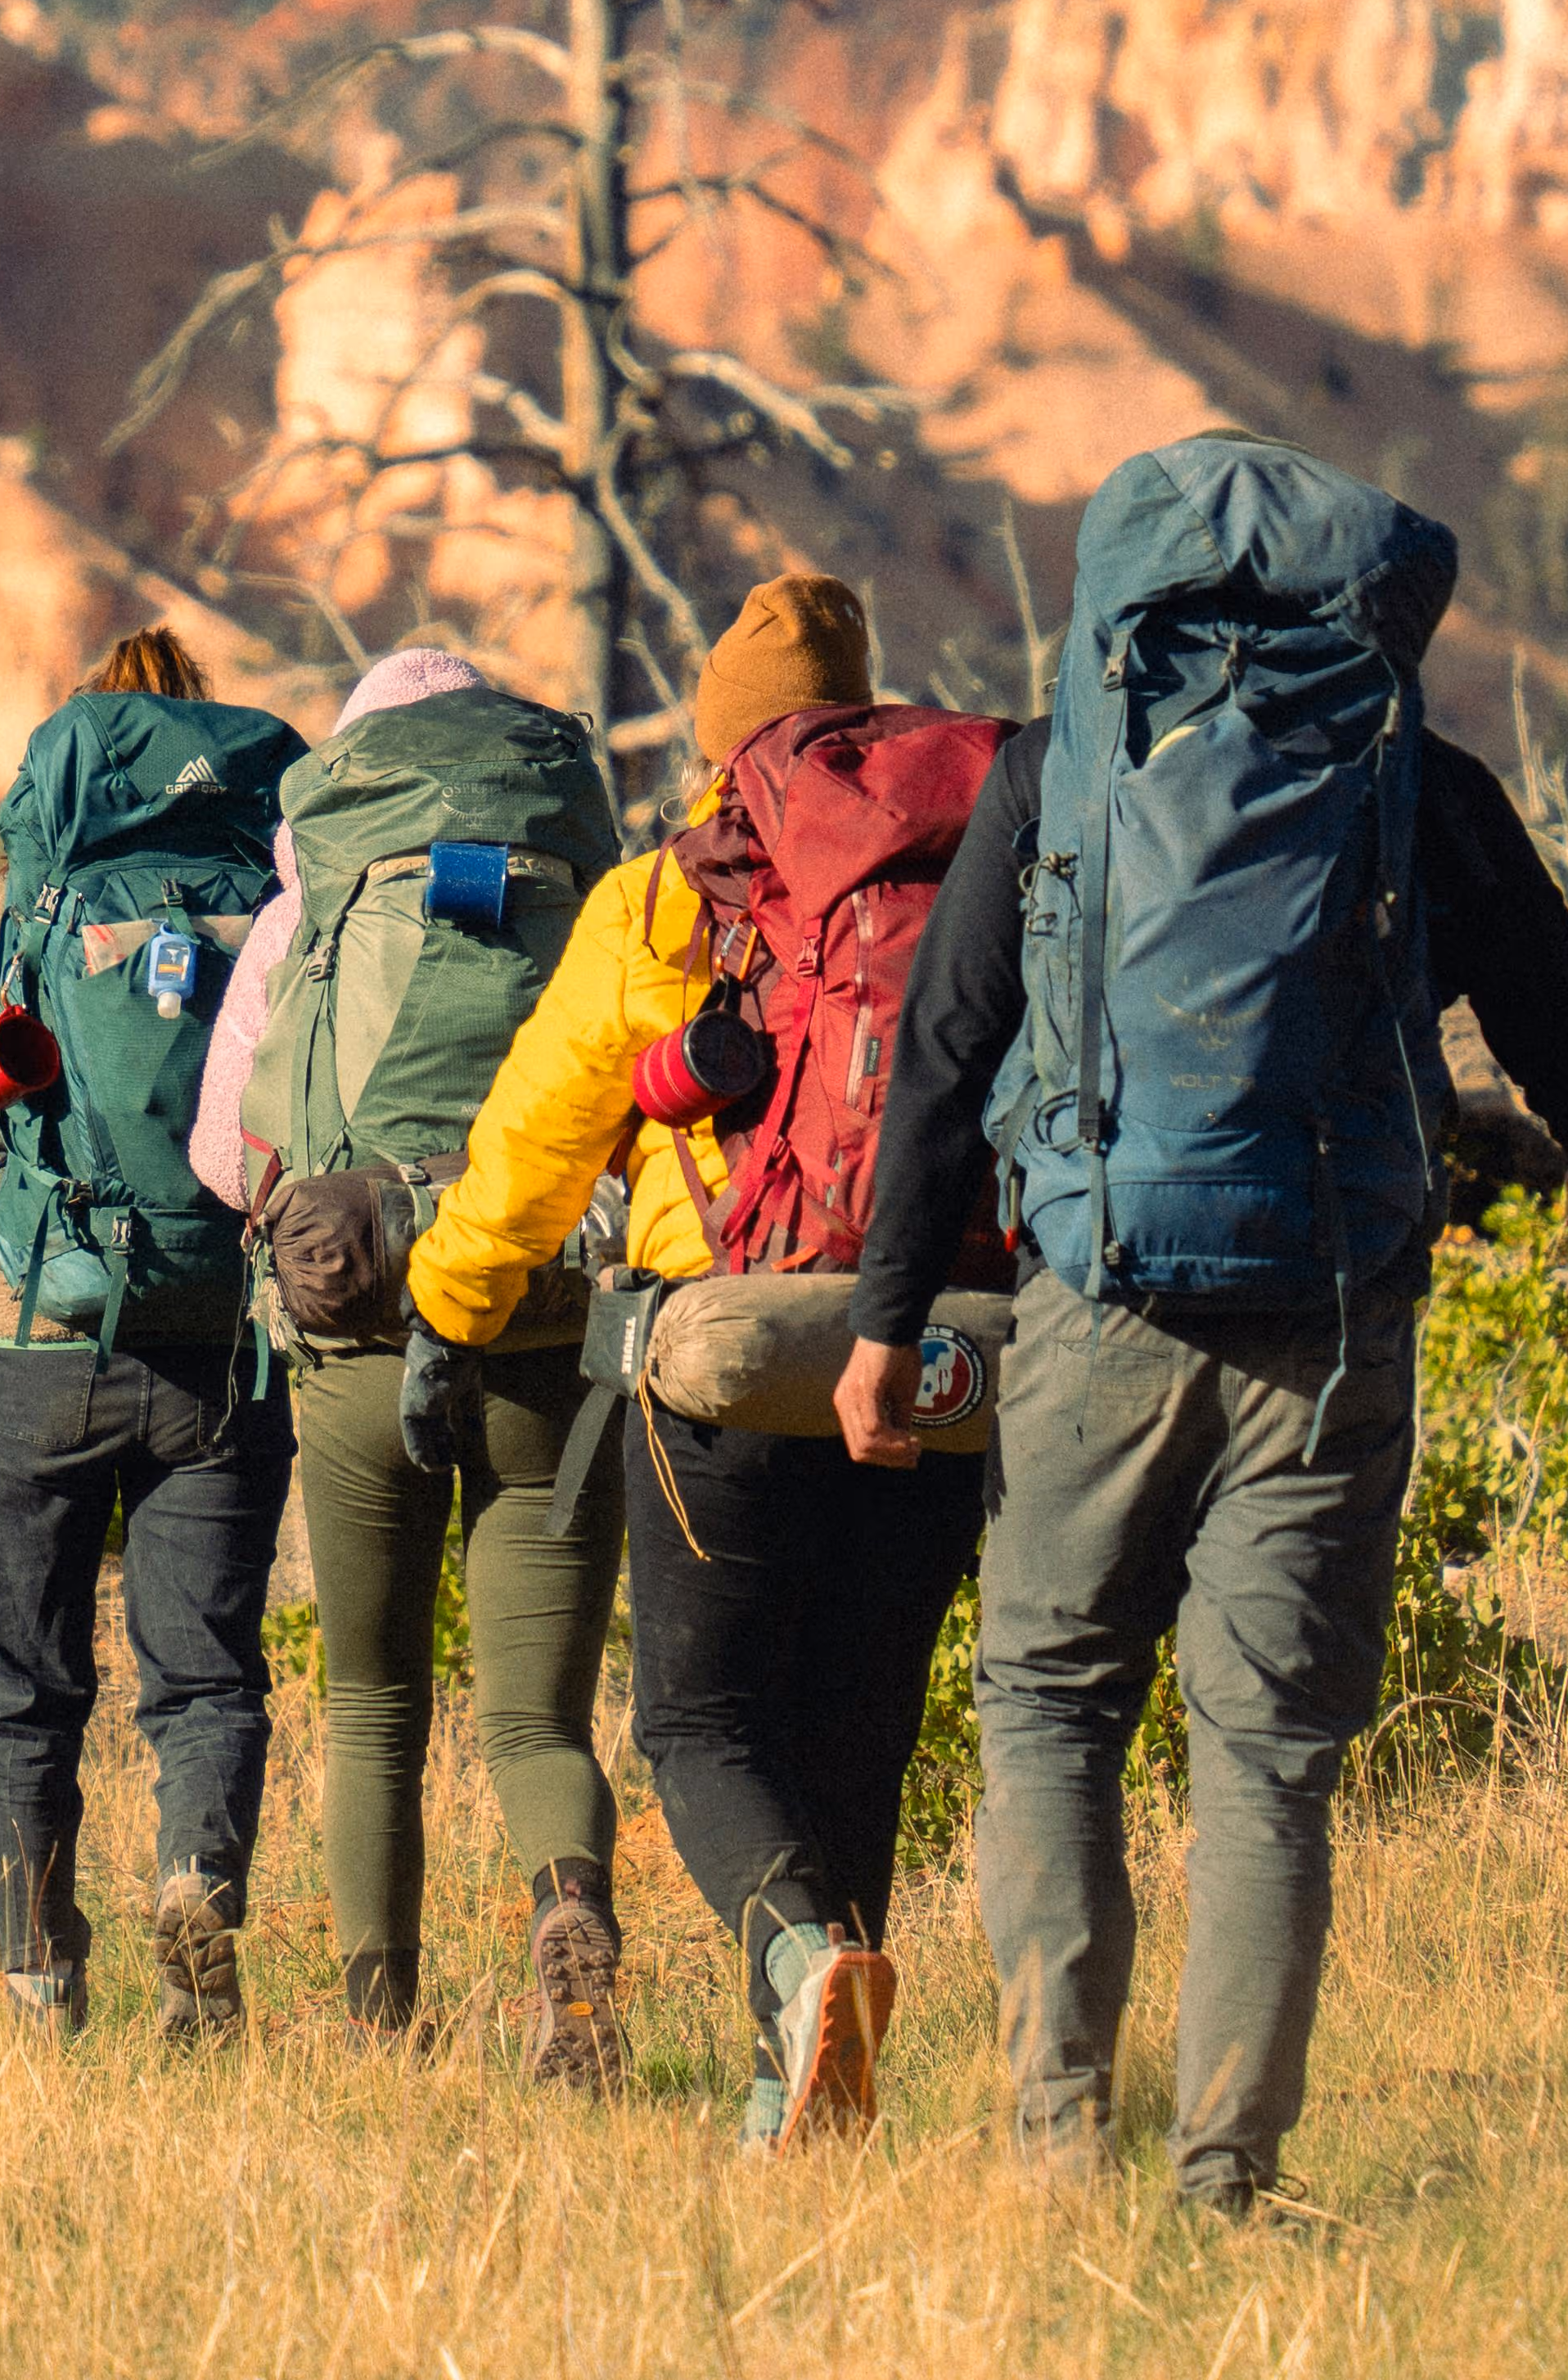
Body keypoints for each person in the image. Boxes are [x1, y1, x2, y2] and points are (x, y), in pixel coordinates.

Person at [834, 435, 1568, 2214]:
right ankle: (1221, 2176)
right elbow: (1549, 1001)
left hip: (1092, 1301)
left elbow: (942, 1052)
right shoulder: (1405, 773)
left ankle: (1056, 2146)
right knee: (1264, 1755)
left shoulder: (1058, 768)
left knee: (1049, 1699)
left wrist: (884, 1316)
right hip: (1333, 1320)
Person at [406, 575, 997, 2152]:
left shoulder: (663, 899)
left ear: (726, 737)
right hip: (950, 1347)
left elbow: (530, 1154)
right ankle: (795, 2081)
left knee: (703, 1721)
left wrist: (450, 1308)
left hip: (733, 1349)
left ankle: (803, 1970)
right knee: (861, 1717)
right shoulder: (980, 863)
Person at [191, 647, 632, 2081]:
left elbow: (224, 1149)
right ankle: (569, 1920)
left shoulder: (311, 901)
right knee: (535, 1713)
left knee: (376, 1701)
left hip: (356, 1331)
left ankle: (380, 2024)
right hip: (549, 1328)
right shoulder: (582, 887)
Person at [0, 625, 305, 2043]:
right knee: (204, 1674)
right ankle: (195, 1876)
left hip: (36, 1338)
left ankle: (34, 1973)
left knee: (26, 1680)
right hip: (220, 1339)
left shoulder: (22, 896)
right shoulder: (277, 896)